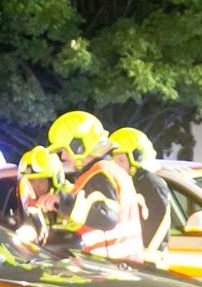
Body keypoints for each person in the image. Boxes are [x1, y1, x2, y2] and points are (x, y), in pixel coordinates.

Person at [47, 110, 144, 263]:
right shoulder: (109, 170)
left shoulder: (99, 174)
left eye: (65, 149)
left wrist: (61, 202)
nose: (63, 156)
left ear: (80, 146)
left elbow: (107, 218)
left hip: (106, 269)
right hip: (121, 267)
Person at [109, 127, 171, 266]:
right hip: (126, 261)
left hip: (147, 264)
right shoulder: (123, 184)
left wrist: (144, 260)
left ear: (137, 159)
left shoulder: (152, 185)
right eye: (113, 160)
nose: (115, 165)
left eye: (120, 160)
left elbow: (159, 227)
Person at [15, 146, 69, 246]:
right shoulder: (27, 209)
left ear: (55, 181)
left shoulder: (71, 199)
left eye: (41, 180)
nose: (35, 186)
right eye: (30, 181)